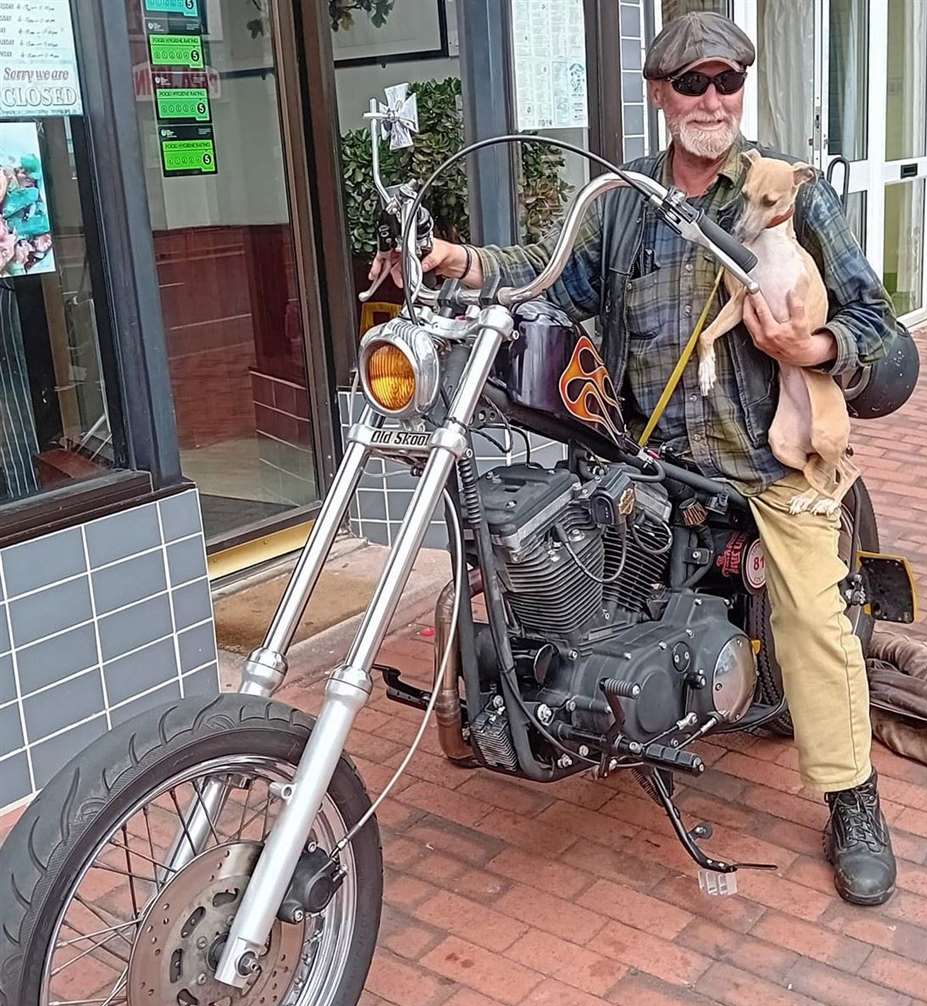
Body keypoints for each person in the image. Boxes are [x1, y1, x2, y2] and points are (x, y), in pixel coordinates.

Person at [371, 12, 899, 905]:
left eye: (727, 80)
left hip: (759, 467)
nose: (712, 99)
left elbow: (874, 322)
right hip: (647, 464)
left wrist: (814, 352)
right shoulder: (619, 200)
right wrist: (455, 260)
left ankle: (853, 798)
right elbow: (543, 270)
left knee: (814, 615)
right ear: (659, 95)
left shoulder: (784, 196)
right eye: (691, 83)